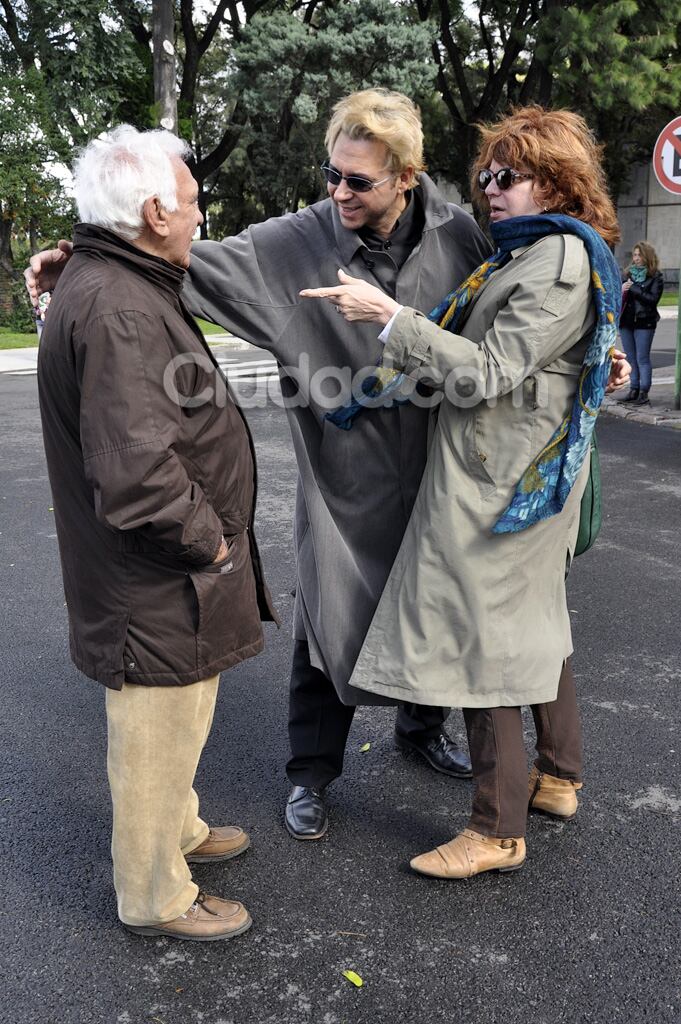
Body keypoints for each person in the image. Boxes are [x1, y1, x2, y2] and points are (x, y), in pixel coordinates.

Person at [27, 89, 488, 843]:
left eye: (358, 181)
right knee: (328, 619)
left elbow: (501, 313)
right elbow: (184, 256)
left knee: (429, 601)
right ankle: (310, 773)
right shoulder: (299, 241)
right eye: (331, 174)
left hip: (439, 462)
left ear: (406, 176)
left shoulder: (456, 234)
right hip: (344, 471)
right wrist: (84, 252)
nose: (337, 191)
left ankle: (419, 726)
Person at [301, 105, 626, 878]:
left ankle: (495, 828)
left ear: (554, 180)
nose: (488, 189)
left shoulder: (554, 260)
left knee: (488, 647)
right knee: (535, 626)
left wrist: (393, 319)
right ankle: (557, 777)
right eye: (484, 175)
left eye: (505, 176)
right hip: (516, 474)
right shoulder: (536, 251)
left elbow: (485, 373)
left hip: (500, 482)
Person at [37, 126, 278, 940]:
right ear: (152, 211)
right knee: (153, 734)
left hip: (158, 578)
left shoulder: (116, 278)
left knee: (181, 719)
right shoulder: (120, 307)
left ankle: (180, 833)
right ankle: (153, 895)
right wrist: (209, 542)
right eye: (193, 202)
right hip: (155, 580)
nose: (200, 216)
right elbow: (138, 476)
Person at [618, 241, 664, 406]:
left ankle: (644, 392)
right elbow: (620, 296)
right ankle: (634, 389)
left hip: (645, 322)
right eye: (634, 255)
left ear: (647, 257)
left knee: (642, 358)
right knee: (630, 357)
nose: (636, 258)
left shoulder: (656, 277)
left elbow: (652, 300)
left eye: (639, 255)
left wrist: (635, 289)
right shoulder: (627, 274)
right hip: (626, 322)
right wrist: (623, 288)